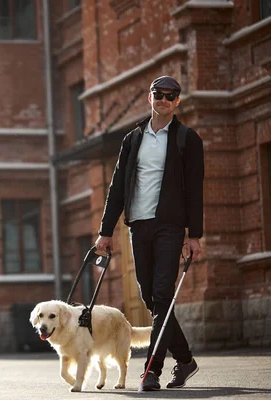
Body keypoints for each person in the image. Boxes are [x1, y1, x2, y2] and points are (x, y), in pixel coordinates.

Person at [95, 76, 204, 391]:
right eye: (159, 94)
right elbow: (117, 187)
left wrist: (194, 235)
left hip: (170, 227)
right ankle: (185, 360)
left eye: (171, 96)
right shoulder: (132, 139)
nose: (164, 100)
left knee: (161, 294)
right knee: (152, 297)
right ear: (150, 97)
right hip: (138, 226)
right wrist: (105, 231)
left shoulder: (187, 139)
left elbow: (195, 191)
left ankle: (151, 371)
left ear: (177, 102)